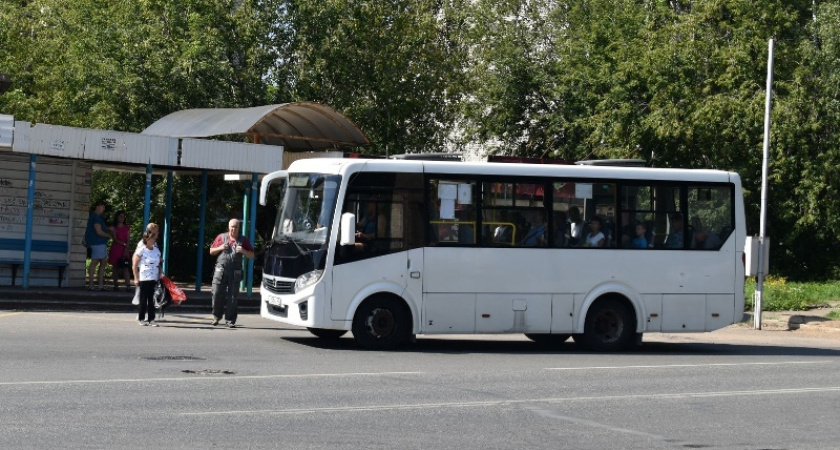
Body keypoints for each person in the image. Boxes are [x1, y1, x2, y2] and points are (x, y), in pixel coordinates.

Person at [209, 218, 255, 327]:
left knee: (233, 297)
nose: (233, 229)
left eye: (235, 227)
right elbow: (211, 251)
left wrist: (243, 251)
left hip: (235, 272)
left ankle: (230, 320)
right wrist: (220, 247)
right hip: (221, 270)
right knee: (216, 293)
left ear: (239, 228)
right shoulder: (221, 237)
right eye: (232, 227)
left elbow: (252, 255)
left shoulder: (243, 240)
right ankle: (216, 316)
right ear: (228, 227)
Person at [132, 225, 162, 326]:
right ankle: (141, 317)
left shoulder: (156, 250)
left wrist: (159, 274)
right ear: (147, 239)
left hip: (153, 276)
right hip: (144, 276)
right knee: (143, 299)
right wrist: (136, 278)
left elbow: (158, 262)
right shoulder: (142, 249)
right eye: (152, 238)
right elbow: (135, 264)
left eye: (154, 238)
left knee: (152, 299)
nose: (154, 240)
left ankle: (151, 319)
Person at [85, 200, 113, 290]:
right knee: (95, 262)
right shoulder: (96, 217)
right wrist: (109, 235)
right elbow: (99, 231)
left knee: (102, 263)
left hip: (98, 243)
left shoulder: (95, 217)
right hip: (97, 243)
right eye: (102, 207)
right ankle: (92, 285)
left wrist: (108, 228)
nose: (103, 209)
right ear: (98, 206)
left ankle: (99, 284)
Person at [108, 210, 132, 291]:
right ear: (117, 217)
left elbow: (128, 240)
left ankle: (128, 285)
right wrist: (124, 244)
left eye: (123, 216)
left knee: (125, 267)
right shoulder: (114, 228)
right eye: (120, 216)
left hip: (125, 249)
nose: (121, 218)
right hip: (116, 248)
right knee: (116, 267)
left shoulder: (127, 228)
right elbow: (115, 239)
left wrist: (126, 248)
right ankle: (116, 285)